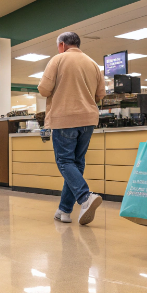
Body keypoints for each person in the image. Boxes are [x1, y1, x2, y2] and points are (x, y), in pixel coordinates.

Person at [38, 32, 106, 225]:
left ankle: (85, 197)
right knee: (76, 163)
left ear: (62, 45)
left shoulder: (58, 60)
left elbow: (43, 89)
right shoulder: (93, 64)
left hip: (64, 118)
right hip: (89, 120)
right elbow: (100, 94)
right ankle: (65, 210)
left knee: (64, 161)